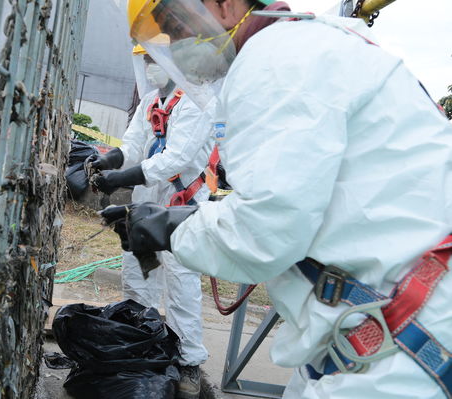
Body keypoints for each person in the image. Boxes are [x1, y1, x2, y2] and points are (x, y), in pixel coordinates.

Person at [103, 0, 452, 398]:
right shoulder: (310, 46)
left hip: (403, 339)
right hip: (387, 323)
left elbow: (266, 228)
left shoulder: (276, 61)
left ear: (225, 5)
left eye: (175, 26)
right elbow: (301, 195)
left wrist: (171, 227)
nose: (175, 45)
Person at [87, 45, 213, 399]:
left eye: (153, 60)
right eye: (144, 61)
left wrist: (123, 176)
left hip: (180, 205)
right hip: (145, 205)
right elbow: (134, 143)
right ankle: (141, 343)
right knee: (137, 276)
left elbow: (176, 159)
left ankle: (188, 358)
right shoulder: (148, 104)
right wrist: (111, 160)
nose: (148, 68)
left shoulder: (196, 104)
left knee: (181, 283)